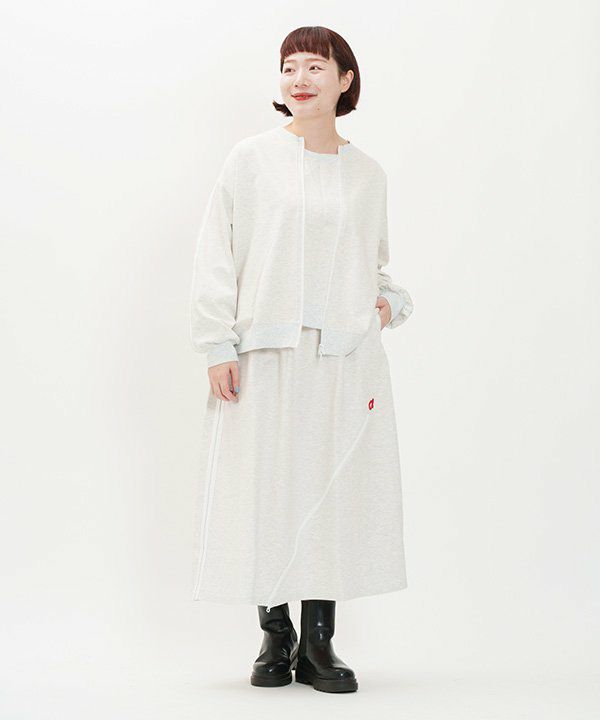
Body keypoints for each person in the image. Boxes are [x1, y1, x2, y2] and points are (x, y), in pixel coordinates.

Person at [189, 26, 414, 694]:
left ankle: (319, 642)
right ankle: (275, 633)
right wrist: (216, 343)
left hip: (343, 359)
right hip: (266, 353)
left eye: (316, 66)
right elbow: (216, 252)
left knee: (330, 491)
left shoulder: (367, 174)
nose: (300, 78)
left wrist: (387, 306)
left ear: (346, 79)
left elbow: (377, 267)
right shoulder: (251, 159)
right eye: (289, 66)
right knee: (265, 488)